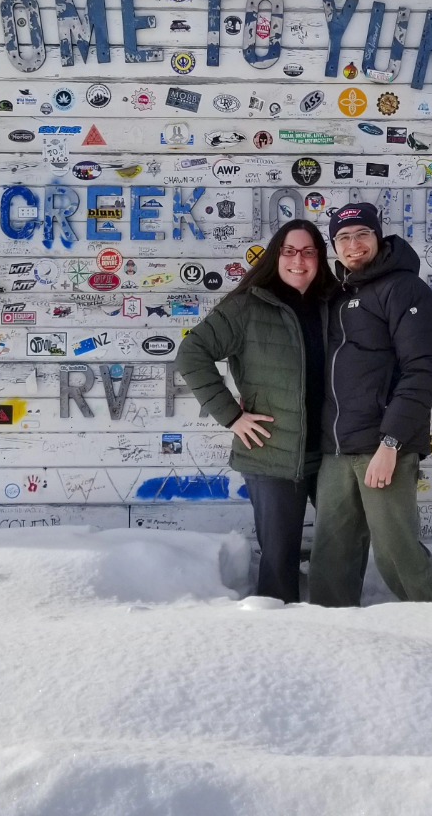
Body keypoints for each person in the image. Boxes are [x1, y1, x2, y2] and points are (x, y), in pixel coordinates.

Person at [175, 218, 337, 603]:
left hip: (332, 451)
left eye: (309, 251)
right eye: (290, 251)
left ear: (320, 258)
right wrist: (232, 416)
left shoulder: (334, 305)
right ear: (275, 256)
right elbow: (191, 353)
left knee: (339, 549)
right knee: (280, 556)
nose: (299, 260)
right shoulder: (247, 307)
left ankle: (337, 630)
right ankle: (276, 637)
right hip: (270, 454)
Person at [309, 201, 432, 607]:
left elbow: (423, 372)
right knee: (331, 561)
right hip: (337, 449)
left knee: (397, 555)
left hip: (384, 446)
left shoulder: (404, 289)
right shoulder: (338, 295)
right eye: (343, 238)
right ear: (334, 246)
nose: (354, 245)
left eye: (362, 235)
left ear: (378, 237)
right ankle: (331, 637)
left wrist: (390, 445)